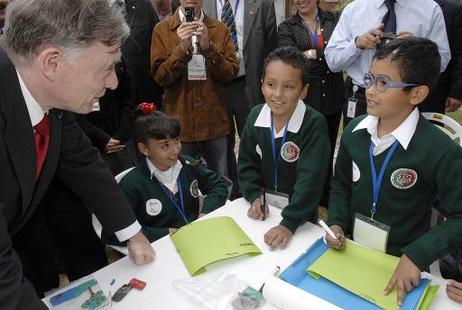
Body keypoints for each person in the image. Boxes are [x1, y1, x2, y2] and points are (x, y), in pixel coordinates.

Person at [0, 0, 154, 308]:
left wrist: (132, 232)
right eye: (107, 67)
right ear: (52, 62)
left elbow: (82, 160)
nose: (113, 83)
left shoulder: (48, 95)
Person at [325, 37, 462, 306]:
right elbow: (341, 183)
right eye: (369, 78)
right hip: (355, 253)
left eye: (384, 83)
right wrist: (337, 222)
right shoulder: (354, 132)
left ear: (417, 94)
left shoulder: (440, 151)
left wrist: (417, 255)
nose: (370, 90)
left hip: (403, 262)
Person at [238, 46, 330, 250]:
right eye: (271, 84)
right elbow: (246, 165)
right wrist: (254, 196)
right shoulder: (255, 116)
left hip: (300, 219)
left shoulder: (314, 124)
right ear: (262, 85)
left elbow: (311, 181)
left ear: (303, 90)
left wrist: (289, 223)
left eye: (288, 87)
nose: (277, 94)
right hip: (266, 212)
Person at [106, 105, 228, 244]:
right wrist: (164, 234)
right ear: (144, 148)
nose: (175, 150)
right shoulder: (131, 184)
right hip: (159, 248)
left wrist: (205, 213)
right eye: (165, 146)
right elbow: (112, 233)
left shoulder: (188, 164)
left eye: (176, 140)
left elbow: (219, 185)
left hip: (196, 239)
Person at [325, 0, 451, 126]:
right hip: (363, 98)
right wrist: (357, 44)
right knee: (358, 143)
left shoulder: (430, 9)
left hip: (405, 99)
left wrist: (416, 49)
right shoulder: (354, 9)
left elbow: (442, 60)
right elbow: (333, 62)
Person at [151, 0, 239, 177]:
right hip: (180, 126)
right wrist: (182, 49)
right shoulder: (163, 30)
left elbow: (229, 74)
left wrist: (208, 47)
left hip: (215, 124)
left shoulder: (219, 29)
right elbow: (160, 77)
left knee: (221, 182)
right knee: (183, 182)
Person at [201, 0, 278, 199]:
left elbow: (271, 50)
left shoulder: (263, 5)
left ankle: (257, 191)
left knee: (254, 141)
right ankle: (230, 195)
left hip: (250, 84)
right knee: (221, 147)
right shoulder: (202, 4)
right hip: (215, 86)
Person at [278, 0, 344, 207]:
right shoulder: (287, 27)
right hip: (306, 99)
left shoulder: (334, 20)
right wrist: (326, 56)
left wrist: (313, 54)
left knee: (328, 148)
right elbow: (291, 61)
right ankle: (304, 198)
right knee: (304, 152)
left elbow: (342, 51)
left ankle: (325, 199)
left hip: (332, 97)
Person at [421, 0, 462, 114]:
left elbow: (459, 53)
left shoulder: (453, 9)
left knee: (430, 130)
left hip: (435, 93)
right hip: (393, 88)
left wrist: (456, 93)